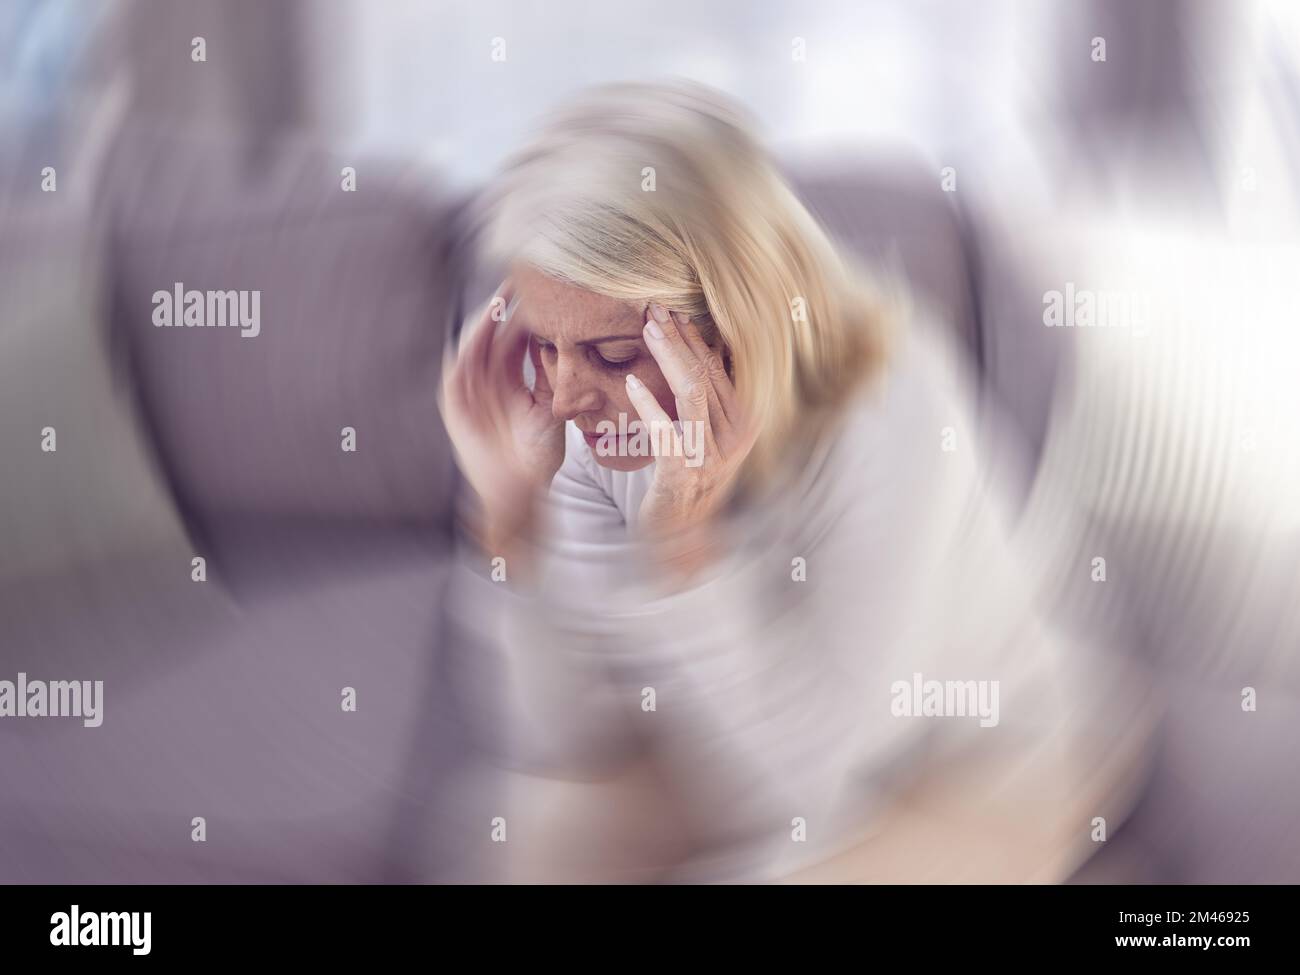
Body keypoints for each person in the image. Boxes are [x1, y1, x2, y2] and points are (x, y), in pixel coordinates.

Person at [441, 80, 1150, 883]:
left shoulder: (898, 406)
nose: (565, 397)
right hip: (715, 748)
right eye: (547, 345)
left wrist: (680, 549)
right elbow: (563, 737)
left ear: (739, 325)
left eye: (611, 354)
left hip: (968, 763)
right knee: (513, 844)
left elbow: (815, 784)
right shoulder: (583, 422)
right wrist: (509, 521)